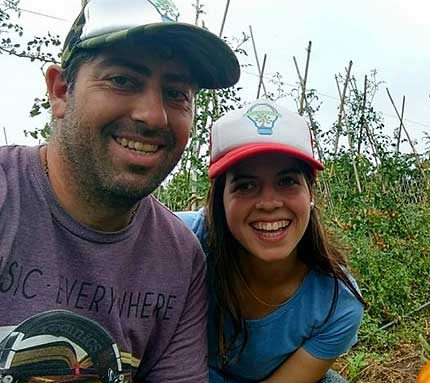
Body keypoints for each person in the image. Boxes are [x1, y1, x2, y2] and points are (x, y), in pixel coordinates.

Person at [0, 0, 239, 381]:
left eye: (176, 93)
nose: (153, 115)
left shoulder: (180, 258)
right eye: (123, 80)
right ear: (61, 91)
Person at [177, 99, 366, 383]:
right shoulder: (175, 244)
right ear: (220, 200)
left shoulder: (337, 304)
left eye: (287, 181)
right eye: (246, 185)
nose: (268, 203)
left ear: (310, 194)